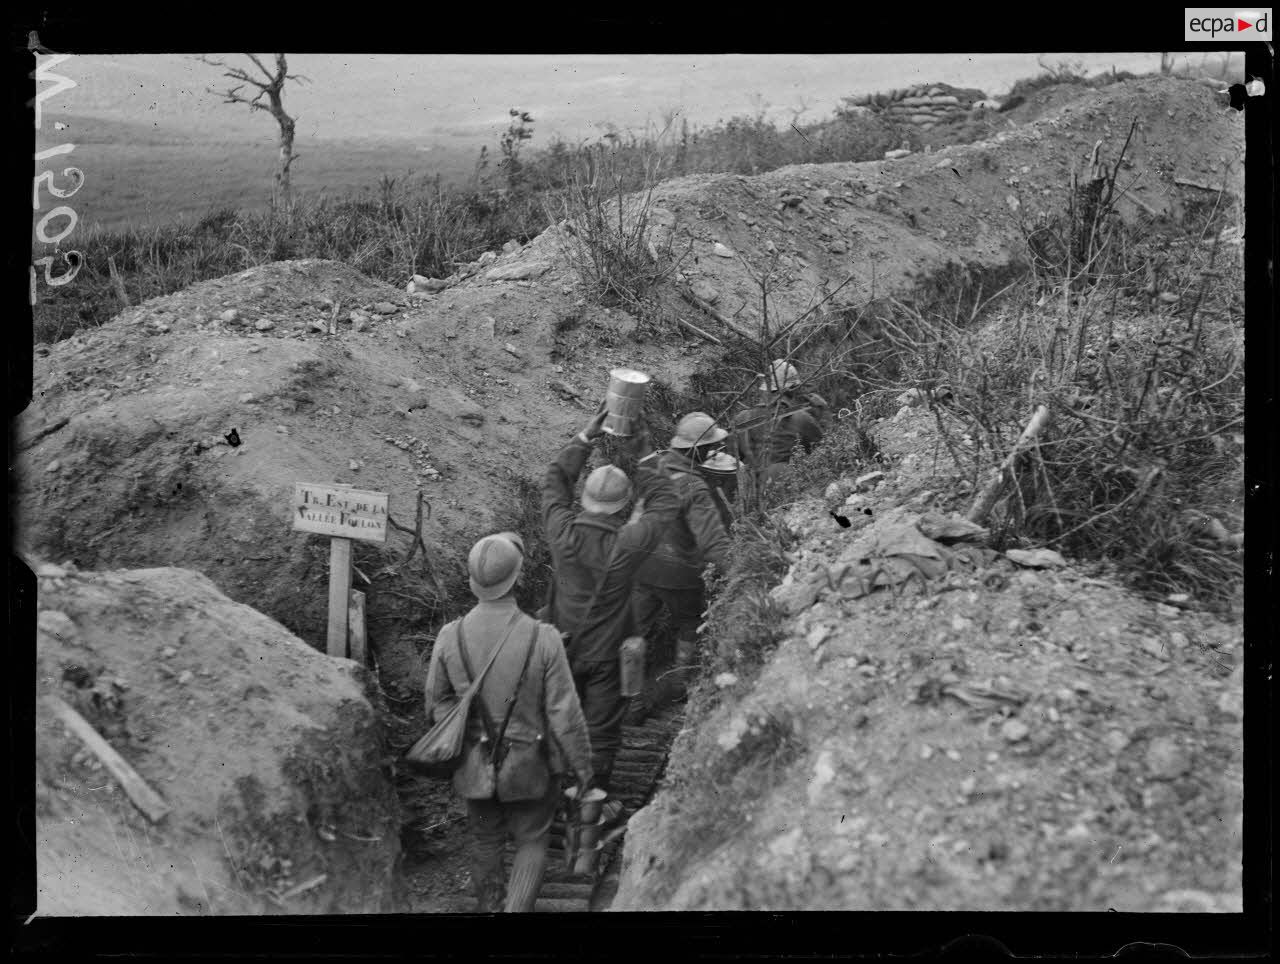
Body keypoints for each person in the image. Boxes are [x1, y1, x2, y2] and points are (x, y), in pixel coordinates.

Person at [424, 533, 594, 913]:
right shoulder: (544, 637)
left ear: (472, 582)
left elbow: (436, 705)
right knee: (532, 840)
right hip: (530, 766)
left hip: (474, 767)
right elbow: (564, 713)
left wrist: (469, 737)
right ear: (517, 579)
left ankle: (490, 907)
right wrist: (582, 768)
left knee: (485, 840)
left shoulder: (450, 637)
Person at [542, 403, 679, 794]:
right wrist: (644, 451)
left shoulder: (562, 534)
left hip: (559, 647)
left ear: (583, 498)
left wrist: (585, 437)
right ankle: (589, 804)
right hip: (608, 654)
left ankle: (553, 788)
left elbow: (553, 483)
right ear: (623, 506)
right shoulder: (628, 542)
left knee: (557, 717)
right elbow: (666, 502)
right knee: (601, 730)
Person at [629, 412, 733, 718]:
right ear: (697, 450)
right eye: (710, 447)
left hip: (641, 565)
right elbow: (712, 541)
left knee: (633, 631)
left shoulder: (656, 468)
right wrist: (738, 571)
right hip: (680, 573)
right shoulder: (694, 487)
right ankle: (680, 689)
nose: (713, 452)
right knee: (690, 624)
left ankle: (631, 702)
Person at [730, 359, 825, 489]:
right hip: (786, 490)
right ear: (791, 389)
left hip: (753, 493)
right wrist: (823, 413)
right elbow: (825, 450)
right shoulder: (801, 418)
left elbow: (732, 461)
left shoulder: (741, 419)